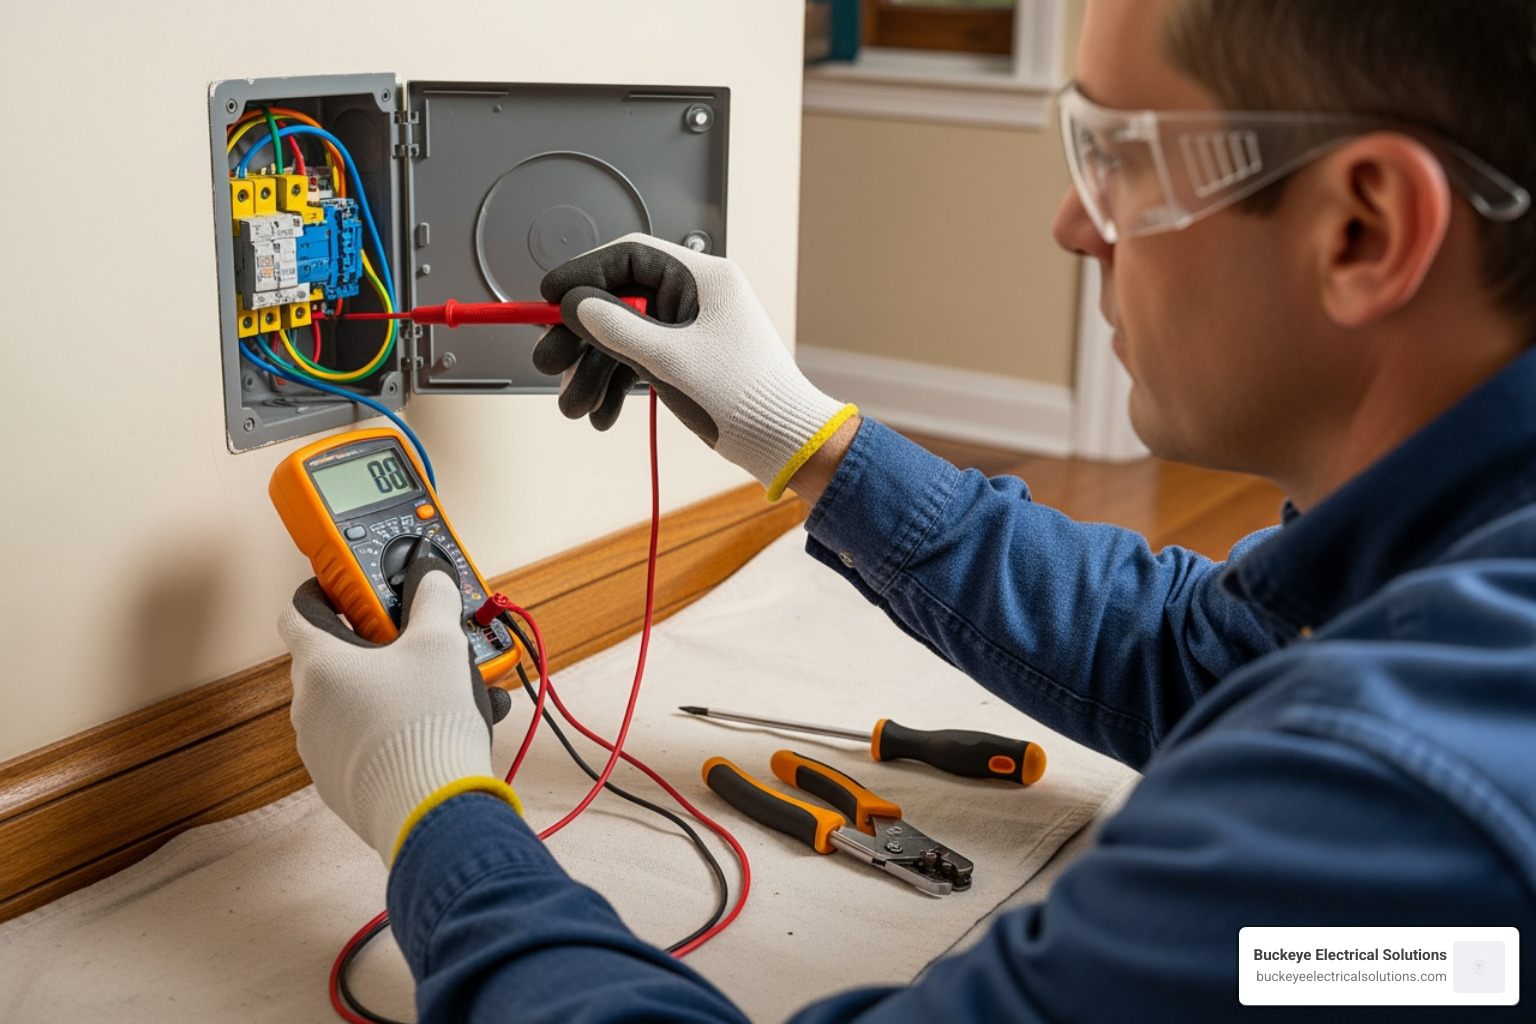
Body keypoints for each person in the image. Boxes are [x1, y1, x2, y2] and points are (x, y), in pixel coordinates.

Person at [277, 0, 1536, 1019]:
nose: (1069, 223)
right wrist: (807, 436)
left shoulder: (1401, 804)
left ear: (1364, 230)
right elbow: (1194, 657)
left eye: (1117, 158)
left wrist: (437, 808)